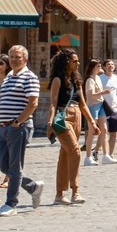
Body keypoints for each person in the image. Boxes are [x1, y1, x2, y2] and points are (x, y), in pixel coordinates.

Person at [0, 46, 44, 216]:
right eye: (12, 57)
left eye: (18, 57)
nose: (14, 60)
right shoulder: (8, 77)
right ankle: (33, 187)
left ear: (25, 59)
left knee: (14, 166)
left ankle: (11, 204)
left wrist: (17, 122)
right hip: (4, 127)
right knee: (5, 166)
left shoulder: (29, 77)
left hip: (18, 127)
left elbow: (33, 103)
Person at [44, 51, 92, 205]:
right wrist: (50, 123)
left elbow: (83, 104)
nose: (78, 64)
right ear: (66, 62)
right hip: (62, 117)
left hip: (77, 115)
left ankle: (59, 195)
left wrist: (92, 123)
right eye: (74, 61)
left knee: (65, 155)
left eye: (78, 61)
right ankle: (75, 191)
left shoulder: (77, 81)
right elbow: (53, 103)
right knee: (75, 151)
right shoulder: (58, 80)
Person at [80, 59, 107, 167]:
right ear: (93, 68)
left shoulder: (99, 78)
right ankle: (88, 157)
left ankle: (105, 154)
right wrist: (103, 92)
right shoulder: (89, 80)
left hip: (101, 104)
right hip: (92, 106)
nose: (100, 67)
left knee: (104, 129)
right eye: (98, 66)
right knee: (92, 131)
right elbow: (90, 95)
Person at [98, 60, 117, 162]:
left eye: (112, 64)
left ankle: (110, 154)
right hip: (103, 108)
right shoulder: (100, 79)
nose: (111, 66)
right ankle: (96, 151)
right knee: (103, 133)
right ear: (104, 67)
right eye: (108, 64)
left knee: (113, 133)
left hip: (114, 109)